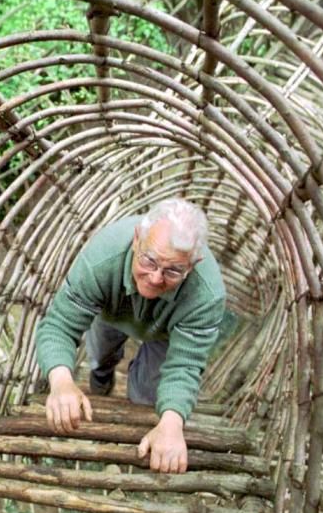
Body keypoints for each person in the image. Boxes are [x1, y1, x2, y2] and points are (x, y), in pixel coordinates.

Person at [35, 198, 226, 474]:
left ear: (193, 265)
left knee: (147, 395)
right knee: (100, 358)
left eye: (173, 271)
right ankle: (101, 383)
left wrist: (172, 424)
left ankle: (132, 445)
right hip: (111, 312)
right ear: (137, 239)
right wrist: (61, 381)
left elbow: (185, 365)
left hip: (165, 334)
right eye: (149, 261)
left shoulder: (207, 294)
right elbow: (59, 325)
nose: (156, 278)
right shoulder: (103, 256)